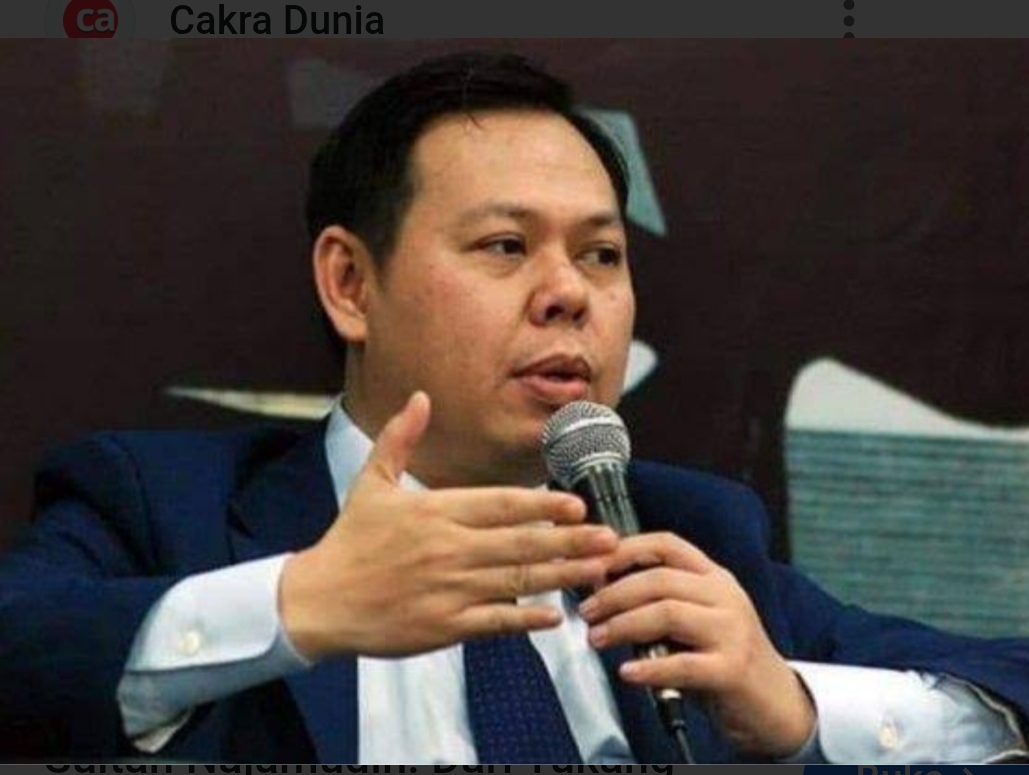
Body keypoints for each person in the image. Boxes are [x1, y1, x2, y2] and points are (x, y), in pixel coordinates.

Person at [1, 51, 1027, 764]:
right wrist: (297, 603)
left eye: (602, 253)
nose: (569, 292)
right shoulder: (162, 506)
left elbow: (1009, 693)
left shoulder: (691, 537)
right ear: (351, 284)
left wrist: (793, 705)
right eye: (504, 245)